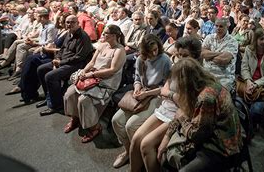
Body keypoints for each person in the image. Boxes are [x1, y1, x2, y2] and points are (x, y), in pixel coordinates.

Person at [128, 36, 202, 172]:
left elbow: (185, 105)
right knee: (136, 139)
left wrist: (169, 94)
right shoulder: (177, 67)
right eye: (179, 55)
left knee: (146, 144)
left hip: (179, 114)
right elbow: (164, 89)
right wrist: (171, 95)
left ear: (196, 56)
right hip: (167, 107)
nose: (181, 59)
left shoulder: (198, 75)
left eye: (185, 55)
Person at [158, 58, 242, 171]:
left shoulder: (206, 97)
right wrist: (167, 137)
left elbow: (198, 135)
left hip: (222, 147)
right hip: (211, 136)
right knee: (168, 152)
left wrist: (182, 118)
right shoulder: (203, 85)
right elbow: (184, 111)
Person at [112, 34, 171, 168]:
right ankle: (129, 151)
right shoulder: (141, 59)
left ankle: (139, 155)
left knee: (131, 125)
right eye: (150, 51)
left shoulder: (165, 59)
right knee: (116, 121)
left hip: (157, 96)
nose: (154, 53)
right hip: (143, 93)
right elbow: (137, 78)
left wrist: (147, 93)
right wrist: (137, 88)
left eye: (156, 49)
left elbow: (167, 87)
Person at [63, 24, 126, 143]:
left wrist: (91, 75)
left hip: (107, 82)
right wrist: (83, 72)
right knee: (70, 93)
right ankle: (75, 118)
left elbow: (112, 70)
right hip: (92, 77)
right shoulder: (102, 46)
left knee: (84, 100)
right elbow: (92, 63)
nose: (102, 34)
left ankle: (95, 127)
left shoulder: (119, 50)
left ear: (113, 36)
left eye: (106, 33)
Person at [37, 15, 94, 115]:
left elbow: (79, 57)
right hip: (63, 61)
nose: (69, 24)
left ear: (78, 23)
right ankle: (49, 98)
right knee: (41, 69)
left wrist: (60, 63)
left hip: (76, 65)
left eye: (72, 22)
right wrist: (57, 59)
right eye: (67, 22)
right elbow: (62, 49)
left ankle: (56, 105)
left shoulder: (83, 36)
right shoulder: (69, 33)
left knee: (50, 76)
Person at [240, 28, 264, 126]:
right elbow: (244, 68)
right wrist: (248, 81)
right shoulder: (249, 50)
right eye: (261, 39)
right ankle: (245, 128)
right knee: (237, 105)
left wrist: (255, 84)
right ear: (255, 40)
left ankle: (249, 131)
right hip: (248, 83)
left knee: (255, 110)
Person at [201, 17, 239, 93]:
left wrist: (209, 55)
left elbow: (222, 60)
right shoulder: (209, 37)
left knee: (211, 96)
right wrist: (220, 53)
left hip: (223, 77)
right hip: (206, 74)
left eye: (221, 26)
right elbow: (202, 54)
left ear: (227, 27)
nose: (218, 28)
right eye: (216, 26)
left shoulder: (232, 41)